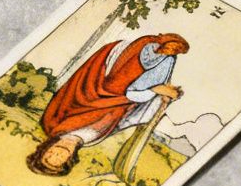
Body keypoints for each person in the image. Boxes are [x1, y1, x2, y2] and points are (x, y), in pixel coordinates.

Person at [26, 34, 190, 176]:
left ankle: (153, 53)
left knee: (125, 81)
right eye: (58, 162)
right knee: (159, 69)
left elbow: (74, 97)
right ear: (68, 161)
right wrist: (155, 98)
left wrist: (126, 95)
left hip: (101, 84)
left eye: (49, 157)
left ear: (44, 150)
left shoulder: (51, 125)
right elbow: (120, 121)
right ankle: (156, 74)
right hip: (126, 98)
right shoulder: (91, 141)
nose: (57, 155)